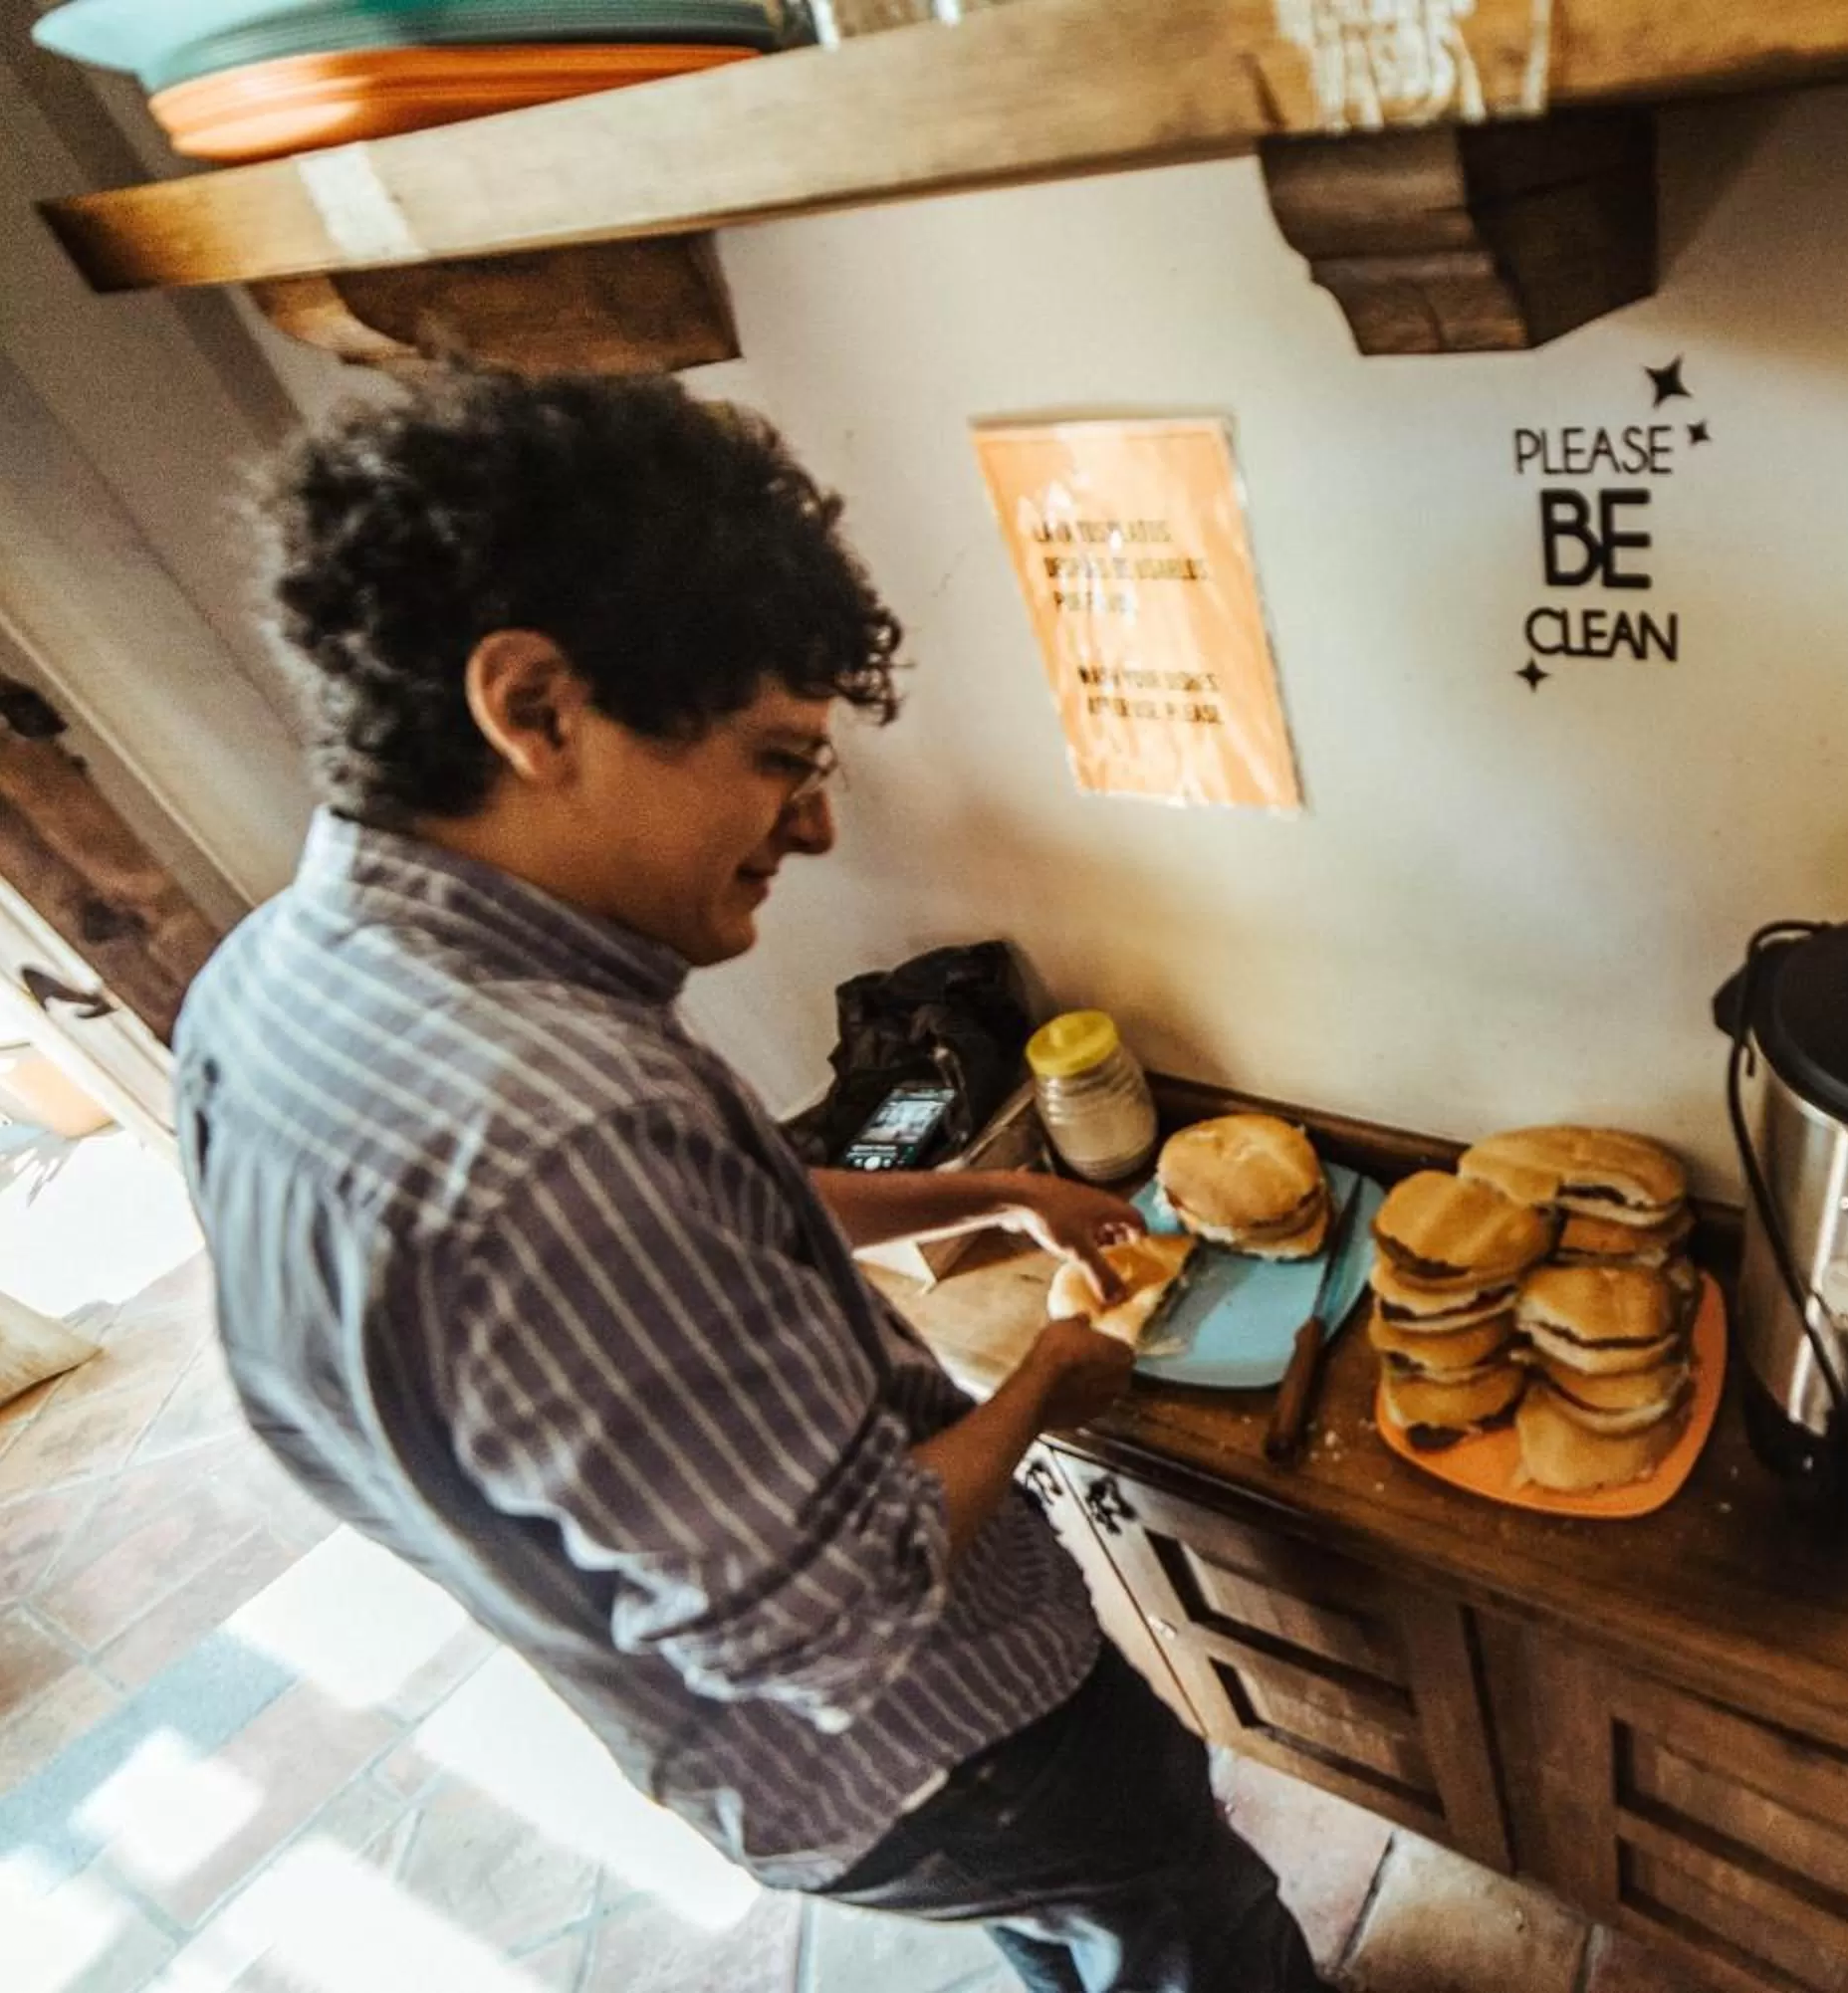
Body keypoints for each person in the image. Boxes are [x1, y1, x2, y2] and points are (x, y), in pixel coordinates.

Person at [176, 370, 1324, 1993]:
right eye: (778, 756)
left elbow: (710, 1210)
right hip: (938, 1740)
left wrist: (979, 1201)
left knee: (1075, 1931)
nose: (819, 820)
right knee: (1189, 1923)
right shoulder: (561, 1132)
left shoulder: (269, 978)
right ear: (537, 707)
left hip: (738, 1761)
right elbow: (839, 1615)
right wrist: (1051, 1380)